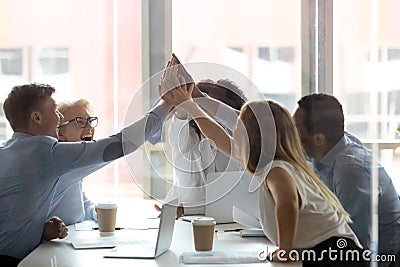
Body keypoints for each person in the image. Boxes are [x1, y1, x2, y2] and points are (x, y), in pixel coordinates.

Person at [160, 66, 368, 266]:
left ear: (253, 137)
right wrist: (188, 104)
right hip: (329, 251)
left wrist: (285, 250)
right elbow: (217, 136)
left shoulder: (276, 169)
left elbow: (288, 202)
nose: (234, 130)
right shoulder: (268, 163)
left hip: (334, 253)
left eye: (239, 125)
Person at [0, 79, 171, 263]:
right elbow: (121, 143)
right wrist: (167, 103)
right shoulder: (46, 152)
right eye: (55, 111)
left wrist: (37, 230)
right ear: (37, 118)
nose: (59, 119)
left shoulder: (5, 151)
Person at [293, 93, 400, 266]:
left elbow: (357, 248)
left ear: (318, 139)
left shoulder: (351, 172)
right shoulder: (324, 150)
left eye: (296, 131)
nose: (292, 138)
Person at [162, 79, 247, 216]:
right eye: (203, 107)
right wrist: (182, 101)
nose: (209, 114)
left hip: (226, 225)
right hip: (182, 221)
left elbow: (226, 203)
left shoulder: (239, 148)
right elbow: (181, 116)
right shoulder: (187, 138)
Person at [47, 99, 99, 225]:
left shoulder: (77, 165)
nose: (89, 128)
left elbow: (81, 203)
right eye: (80, 121)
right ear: (59, 132)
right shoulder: (57, 162)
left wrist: (95, 212)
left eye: (90, 121)